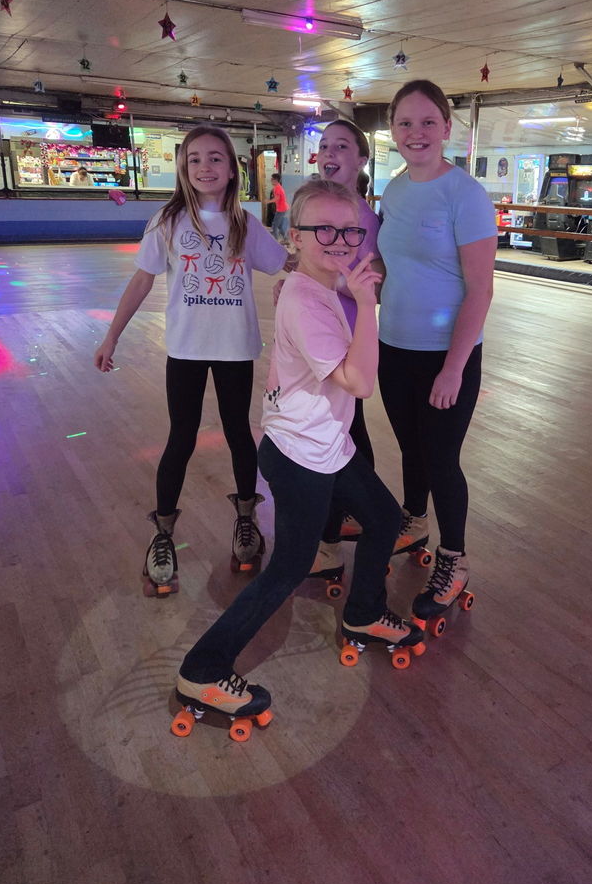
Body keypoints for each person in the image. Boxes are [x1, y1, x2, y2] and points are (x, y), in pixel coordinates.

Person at [174, 179, 422, 723]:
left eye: (351, 230)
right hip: (301, 456)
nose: (340, 240)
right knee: (286, 569)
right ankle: (204, 666)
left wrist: (353, 296)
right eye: (324, 230)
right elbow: (358, 381)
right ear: (295, 236)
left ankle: (363, 614)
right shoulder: (308, 301)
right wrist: (365, 301)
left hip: (327, 443)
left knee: (383, 519)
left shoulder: (318, 286)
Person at [94, 125, 289, 596]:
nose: (205, 167)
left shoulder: (246, 223)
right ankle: (162, 535)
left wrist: (336, 280)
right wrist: (111, 336)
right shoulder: (168, 221)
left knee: (240, 433)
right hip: (185, 349)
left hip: (235, 349)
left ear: (231, 168)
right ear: (183, 166)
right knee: (180, 438)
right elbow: (141, 281)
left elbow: (287, 265)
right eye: (196, 158)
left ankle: (246, 521)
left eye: (216, 158)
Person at [377, 79, 497, 626]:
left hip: (445, 355)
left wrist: (454, 366)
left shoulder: (465, 195)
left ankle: (455, 560)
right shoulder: (395, 189)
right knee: (410, 447)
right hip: (393, 346)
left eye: (428, 122)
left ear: (447, 128)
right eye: (405, 123)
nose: (416, 132)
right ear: (393, 132)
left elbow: (480, 288)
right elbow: (392, 268)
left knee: (442, 459)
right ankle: (413, 518)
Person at [308, 120, 380, 581]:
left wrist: (312, 279)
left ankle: (335, 538)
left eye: (341, 146)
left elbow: (367, 284)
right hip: (320, 339)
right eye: (324, 146)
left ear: (360, 160)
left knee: (342, 437)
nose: (329, 152)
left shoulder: (366, 220)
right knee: (343, 432)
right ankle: (352, 521)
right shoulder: (322, 210)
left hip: (346, 343)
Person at [267, 173, 289, 242]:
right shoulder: (277, 187)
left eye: (272, 179)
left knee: (274, 226)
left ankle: (275, 242)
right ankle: (286, 239)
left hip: (281, 209)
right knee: (279, 225)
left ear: (276, 180)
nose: (271, 180)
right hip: (282, 208)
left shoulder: (277, 188)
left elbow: (277, 198)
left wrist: (268, 202)